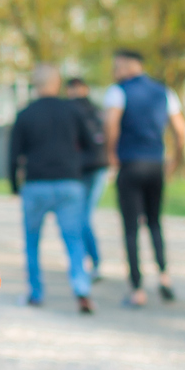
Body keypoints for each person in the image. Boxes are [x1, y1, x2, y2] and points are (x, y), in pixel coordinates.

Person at [102, 49, 185, 306]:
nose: (114, 71)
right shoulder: (164, 92)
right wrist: (175, 161)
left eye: (117, 66)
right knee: (154, 223)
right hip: (155, 164)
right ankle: (164, 277)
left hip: (130, 164)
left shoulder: (118, 92)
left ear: (129, 66)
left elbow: (110, 124)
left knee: (130, 228)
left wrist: (111, 155)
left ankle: (137, 289)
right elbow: (181, 131)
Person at [7, 65, 98, 314]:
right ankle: (82, 289)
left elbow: (13, 155)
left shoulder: (25, 114)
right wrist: (76, 167)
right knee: (74, 240)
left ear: (34, 85)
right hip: (69, 183)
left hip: (35, 184)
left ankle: (35, 293)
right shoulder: (73, 111)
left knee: (32, 241)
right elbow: (91, 147)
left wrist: (15, 187)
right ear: (57, 83)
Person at [66, 76, 109, 278]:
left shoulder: (71, 110)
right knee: (82, 217)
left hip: (84, 170)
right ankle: (88, 262)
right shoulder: (96, 110)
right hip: (97, 167)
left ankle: (91, 262)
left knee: (81, 217)